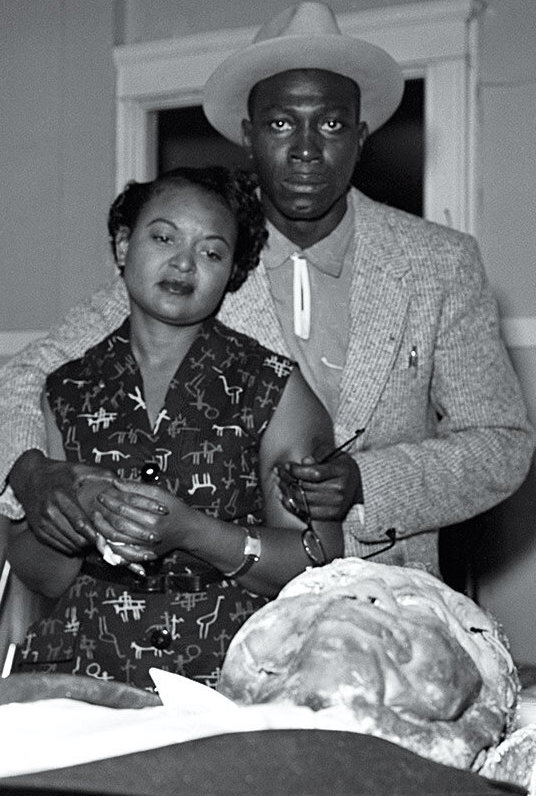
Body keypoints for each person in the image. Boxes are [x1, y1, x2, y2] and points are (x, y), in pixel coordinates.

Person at [0, 2, 533, 578]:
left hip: (393, 593)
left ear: (360, 138)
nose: (306, 148)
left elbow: (499, 441)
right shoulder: (199, 256)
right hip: (229, 603)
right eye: (280, 124)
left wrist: (366, 482)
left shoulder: (440, 263)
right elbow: (25, 378)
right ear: (248, 137)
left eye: (331, 124)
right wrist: (27, 472)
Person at [7, 166, 342, 689]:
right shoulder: (67, 389)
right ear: (124, 246)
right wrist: (77, 518)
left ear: (232, 273)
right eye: (163, 238)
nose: (184, 263)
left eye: (211, 253)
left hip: (230, 677)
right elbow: (41, 575)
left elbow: (317, 561)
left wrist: (194, 532)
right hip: (85, 677)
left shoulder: (273, 387)